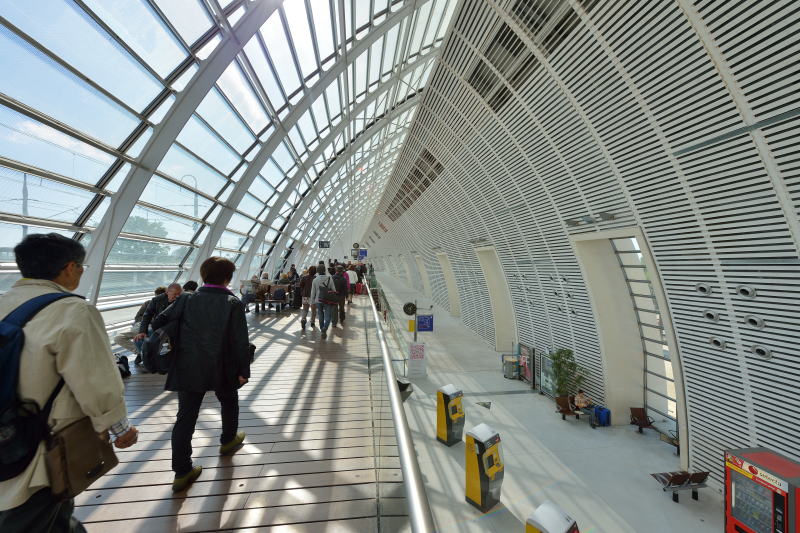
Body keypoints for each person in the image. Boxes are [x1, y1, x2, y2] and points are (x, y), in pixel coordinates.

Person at [0, 233, 138, 532]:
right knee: (33, 513)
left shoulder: (4, 302)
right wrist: (120, 428)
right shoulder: (73, 310)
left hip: (6, 432)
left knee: (57, 517)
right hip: (41, 443)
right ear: (69, 268)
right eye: (81, 266)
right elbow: (95, 379)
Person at [152, 257, 250, 493]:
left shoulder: (186, 298)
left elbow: (159, 321)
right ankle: (228, 440)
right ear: (228, 278)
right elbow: (240, 341)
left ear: (203, 275)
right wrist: (243, 370)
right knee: (229, 401)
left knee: (185, 417)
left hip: (188, 364)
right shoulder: (232, 302)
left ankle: (182, 472)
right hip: (222, 365)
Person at [133, 282, 182, 361]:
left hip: (174, 329)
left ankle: (160, 359)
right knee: (138, 339)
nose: (177, 296)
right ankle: (146, 358)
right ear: (167, 292)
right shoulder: (157, 300)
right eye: (175, 294)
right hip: (158, 327)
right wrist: (142, 331)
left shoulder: (182, 300)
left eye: (179, 294)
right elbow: (147, 316)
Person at [114, 286, 166, 357]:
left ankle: (144, 354)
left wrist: (150, 322)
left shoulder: (167, 306)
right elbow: (138, 317)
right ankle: (140, 352)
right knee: (118, 338)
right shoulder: (148, 303)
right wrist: (147, 321)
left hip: (152, 330)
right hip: (140, 327)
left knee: (145, 338)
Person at [310, 265, 336, 338]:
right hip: (327, 300)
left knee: (320, 315)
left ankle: (322, 330)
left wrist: (312, 302)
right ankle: (325, 327)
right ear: (324, 270)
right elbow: (334, 290)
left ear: (317, 271)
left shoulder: (315, 280)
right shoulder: (329, 278)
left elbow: (313, 292)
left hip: (318, 300)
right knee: (328, 316)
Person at [299, 265, 317, 330]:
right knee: (313, 310)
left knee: (305, 309)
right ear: (315, 272)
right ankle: (312, 322)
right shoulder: (316, 278)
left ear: (308, 271)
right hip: (313, 296)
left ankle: (303, 319)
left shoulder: (304, 277)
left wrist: (302, 291)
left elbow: (301, 285)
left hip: (305, 295)